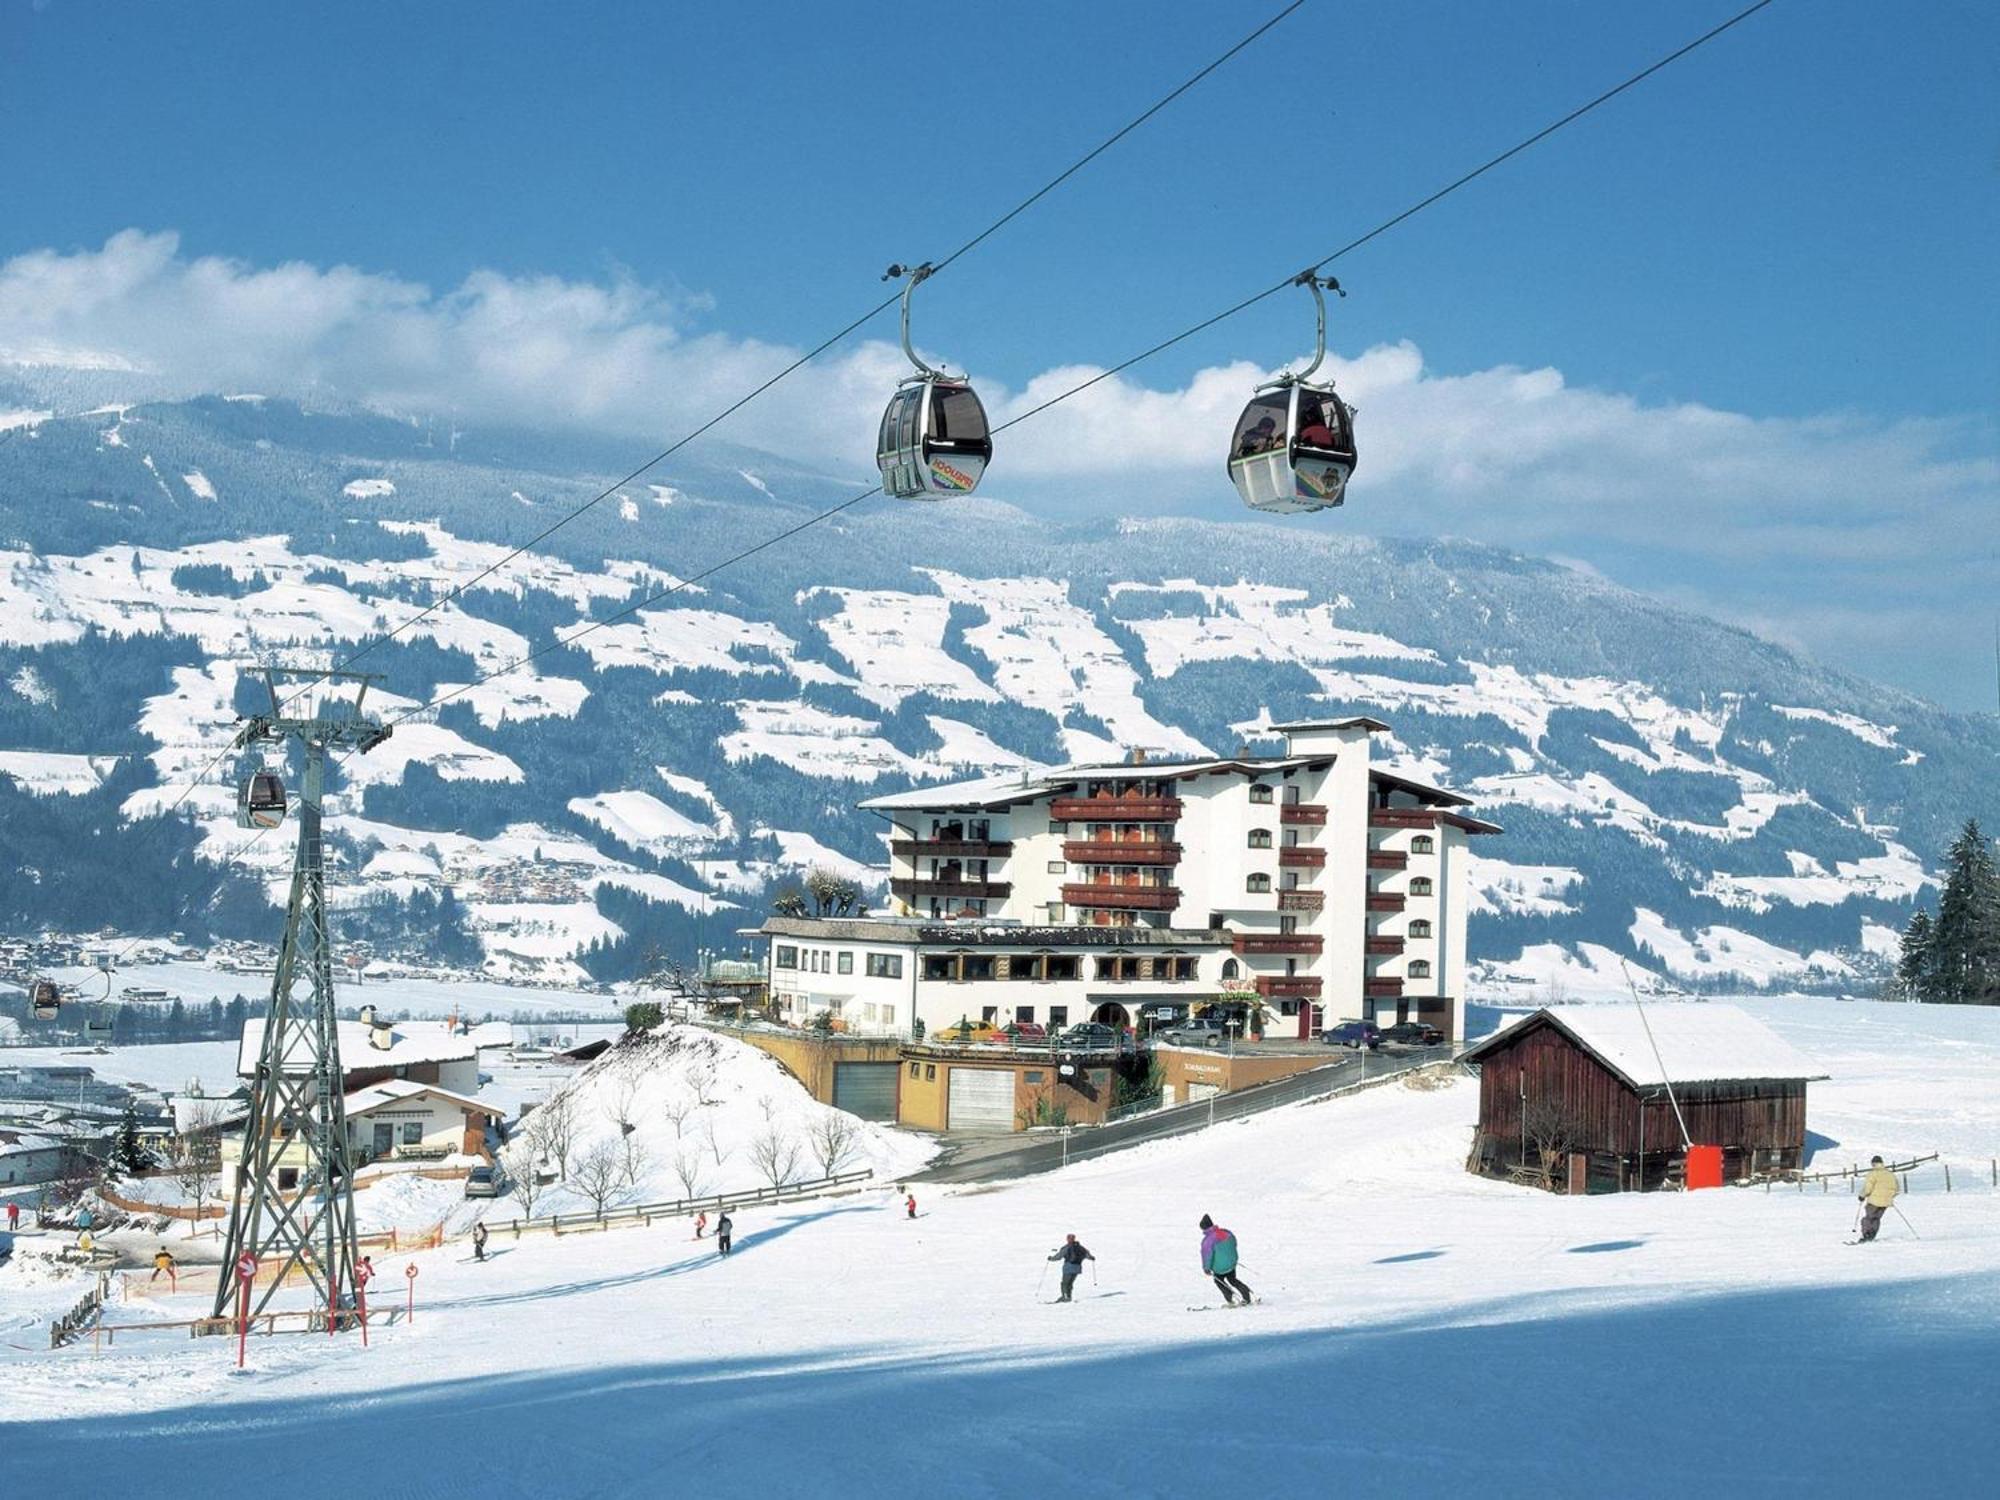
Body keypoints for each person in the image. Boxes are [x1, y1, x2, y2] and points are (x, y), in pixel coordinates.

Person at [1199, 1214, 1253, 1305]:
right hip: (1232, 1264)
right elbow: (1234, 1243)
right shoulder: (1226, 1232)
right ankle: (1246, 1293)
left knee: (1219, 1281)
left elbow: (1207, 1256)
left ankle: (1229, 1297)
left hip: (1219, 1268)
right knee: (1232, 1280)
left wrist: (1206, 1268)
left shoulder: (1207, 1241)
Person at [1857, 1156, 1899, 1243]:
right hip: (1886, 1202)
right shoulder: (1890, 1174)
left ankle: (1866, 1236)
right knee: (1876, 1218)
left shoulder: (1873, 1173)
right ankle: (1872, 1235)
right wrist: (1889, 1197)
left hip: (1874, 1201)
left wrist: (1862, 1196)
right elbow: (1897, 1189)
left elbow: (1868, 1188)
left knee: (1868, 1218)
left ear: (1873, 1163)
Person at [1047, 1233, 1094, 1302]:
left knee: (1064, 1283)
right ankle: (1069, 1297)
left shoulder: (1067, 1247)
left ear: (1068, 1239)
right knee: (1070, 1283)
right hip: (1077, 1268)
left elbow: (1059, 1256)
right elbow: (1088, 1255)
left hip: (1068, 1267)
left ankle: (1065, 1297)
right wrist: (1091, 1258)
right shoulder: (1081, 1247)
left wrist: (1051, 1258)